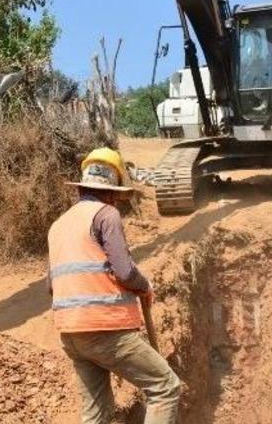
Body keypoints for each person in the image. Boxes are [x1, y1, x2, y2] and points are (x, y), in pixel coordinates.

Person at [47, 147, 181, 424]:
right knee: (165, 387)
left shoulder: (58, 225)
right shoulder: (106, 214)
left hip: (70, 333)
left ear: (81, 188)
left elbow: (52, 285)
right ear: (112, 192)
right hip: (104, 328)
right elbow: (125, 271)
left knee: (97, 413)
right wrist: (144, 286)